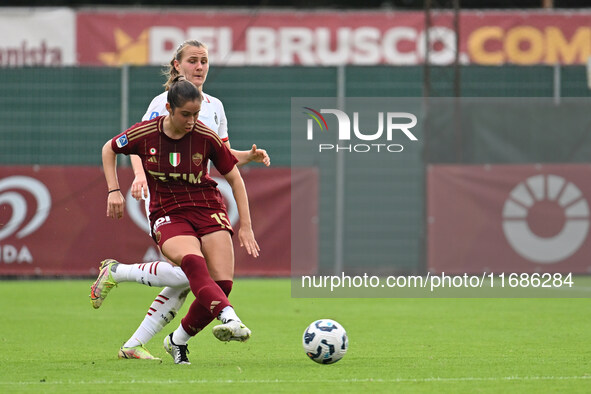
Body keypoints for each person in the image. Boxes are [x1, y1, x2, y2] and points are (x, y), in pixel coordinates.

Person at [90, 40, 269, 361]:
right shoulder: (163, 103)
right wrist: (137, 177)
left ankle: (136, 324)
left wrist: (248, 157)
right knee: (191, 269)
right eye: (193, 61)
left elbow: (222, 156)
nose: (199, 67)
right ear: (177, 65)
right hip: (164, 197)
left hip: (202, 199)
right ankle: (225, 319)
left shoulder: (212, 107)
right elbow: (141, 141)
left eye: (204, 61)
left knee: (200, 279)